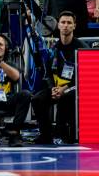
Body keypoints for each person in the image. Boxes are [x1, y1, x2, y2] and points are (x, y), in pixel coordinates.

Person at [32, 11, 87, 144]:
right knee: (37, 99)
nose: (65, 25)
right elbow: (47, 73)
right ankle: (46, 135)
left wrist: (65, 89)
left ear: (74, 26)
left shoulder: (81, 48)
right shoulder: (53, 48)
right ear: (58, 25)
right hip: (57, 88)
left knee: (66, 97)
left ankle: (63, 133)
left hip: (76, 87)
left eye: (69, 23)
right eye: (63, 22)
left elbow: (84, 76)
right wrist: (52, 88)